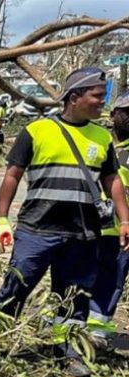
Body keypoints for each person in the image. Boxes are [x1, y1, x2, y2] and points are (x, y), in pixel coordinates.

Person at [0, 68, 129, 377]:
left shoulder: (101, 138)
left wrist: (125, 219)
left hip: (82, 234)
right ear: (75, 97)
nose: (102, 102)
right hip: (37, 229)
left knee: (74, 296)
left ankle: (67, 351)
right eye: (97, 96)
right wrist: (1, 220)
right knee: (16, 286)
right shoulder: (37, 131)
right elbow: (12, 175)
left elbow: (112, 181)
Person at [87, 90, 129, 345]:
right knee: (82, 276)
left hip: (121, 232)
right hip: (90, 227)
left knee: (111, 281)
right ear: (113, 115)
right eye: (126, 113)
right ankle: (70, 322)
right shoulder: (101, 145)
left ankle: (96, 329)